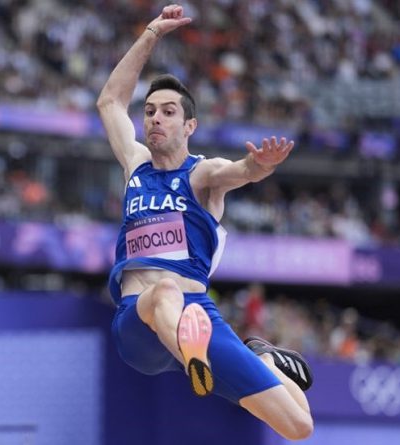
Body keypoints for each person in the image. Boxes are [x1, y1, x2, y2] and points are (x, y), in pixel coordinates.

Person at [97, 4, 314, 440]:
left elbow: (242, 171)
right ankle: (195, 359)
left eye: (168, 112)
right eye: (150, 111)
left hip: (198, 317)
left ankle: (261, 358)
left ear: (190, 125)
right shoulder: (136, 164)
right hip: (139, 321)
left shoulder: (202, 174)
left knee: (298, 425)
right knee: (164, 290)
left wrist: (261, 164)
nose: (155, 119)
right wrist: (152, 33)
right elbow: (110, 101)